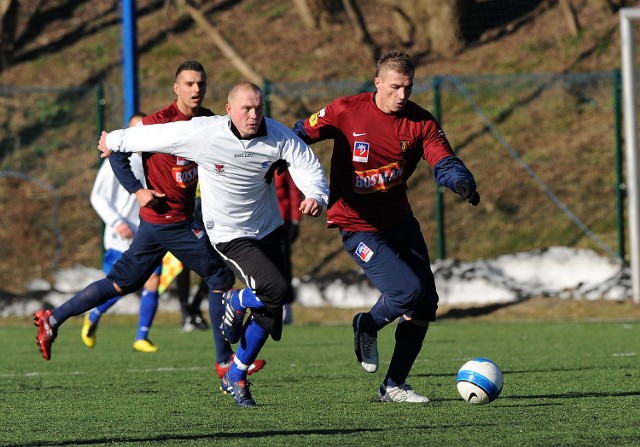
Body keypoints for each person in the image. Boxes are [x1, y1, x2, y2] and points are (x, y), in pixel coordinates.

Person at [97, 81, 329, 407]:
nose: (253, 115)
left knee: (271, 313)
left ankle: (236, 372)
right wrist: (115, 140)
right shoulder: (204, 133)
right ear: (229, 110)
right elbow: (158, 134)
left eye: (258, 108)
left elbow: (307, 165)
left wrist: (316, 194)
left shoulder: (277, 135)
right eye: (246, 109)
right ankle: (235, 301)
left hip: (268, 228)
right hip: (229, 233)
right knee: (275, 290)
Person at [34, 61, 265, 382]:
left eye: (200, 83)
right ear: (176, 88)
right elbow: (115, 151)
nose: (196, 89)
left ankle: (53, 318)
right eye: (188, 83)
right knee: (220, 277)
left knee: (121, 283)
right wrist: (139, 191)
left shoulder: (208, 119)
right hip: (169, 219)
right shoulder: (159, 123)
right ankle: (225, 363)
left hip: (160, 223)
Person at [292, 49, 481, 403]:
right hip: (356, 223)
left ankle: (393, 386)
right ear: (377, 83)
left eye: (408, 88)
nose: (402, 95)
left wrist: (460, 181)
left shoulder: (420, 122)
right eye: (395, 87)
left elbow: (444, 159)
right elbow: (298, 134)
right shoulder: (346, 111)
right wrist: (272, 163)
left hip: (398, 221)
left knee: (425, 304)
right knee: (407, 292)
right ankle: (367, 324)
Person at [83, 112, 163, 353]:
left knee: (152, 280)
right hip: (121, 235)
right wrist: (116, 221)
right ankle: (94, 313)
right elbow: (97, 196)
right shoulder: (115, 161)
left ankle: (142, 336)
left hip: (147, 233)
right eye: (133, 129)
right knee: (124, 284)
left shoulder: (155, 160)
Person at [275, 170, 303, 324]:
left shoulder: (280, 165)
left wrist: (295, 220)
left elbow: (293, 190)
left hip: (281, 224)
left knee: (284, 265)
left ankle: (285, 305)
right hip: (260, 223)